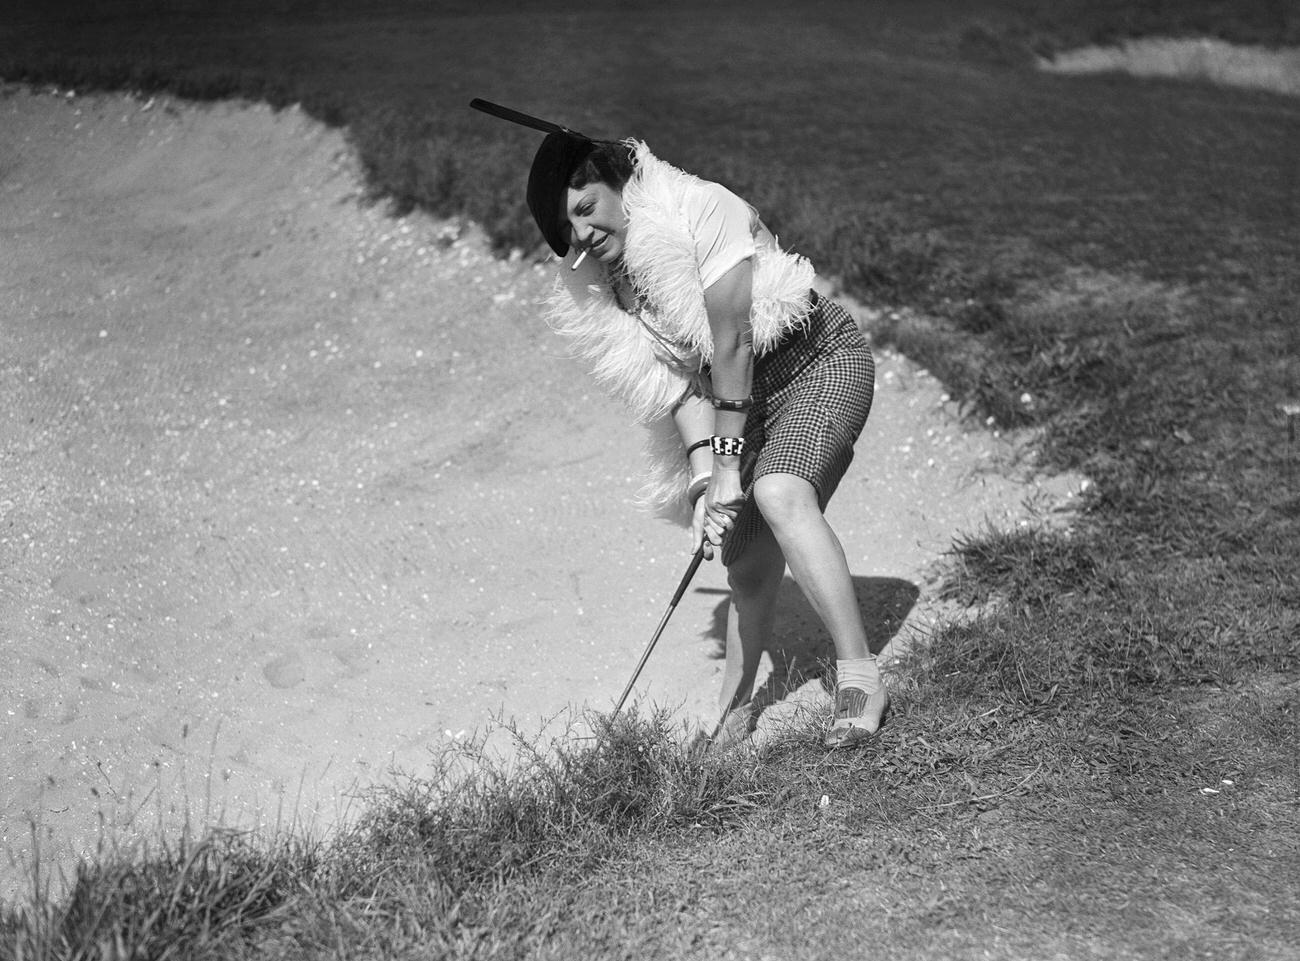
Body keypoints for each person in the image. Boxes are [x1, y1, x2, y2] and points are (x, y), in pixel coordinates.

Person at [524, 126, 888, 748]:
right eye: (570, 229)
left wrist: (729, 468)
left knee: (777, 494)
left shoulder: (700, 208)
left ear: (618, 182)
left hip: (819, 361)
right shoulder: (615, 285)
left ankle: (860, 677)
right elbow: (680, 385)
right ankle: (735, 705)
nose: (584, 235)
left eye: (587, 208)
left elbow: (732, 343)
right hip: (739, 406)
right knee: (742, 561)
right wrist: (702, 480)